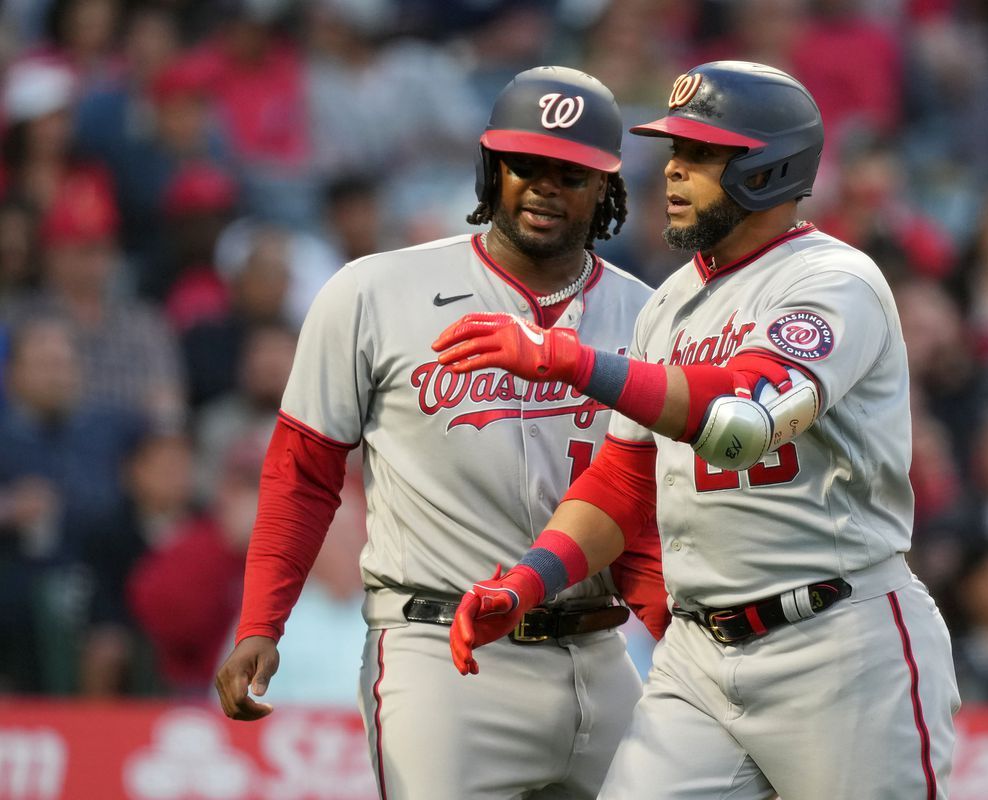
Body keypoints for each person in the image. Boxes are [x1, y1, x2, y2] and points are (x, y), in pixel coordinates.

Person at [434, 61, 960, 799]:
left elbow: (741, 425)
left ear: (768, 168)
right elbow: (625, 480)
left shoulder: (833, 282)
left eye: (702, 155)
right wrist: (529, 581)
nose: (673, 172)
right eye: (675, 151)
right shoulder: (671, 303)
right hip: (698, 656)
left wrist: (567, 359)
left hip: (838, 644)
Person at [213, 66, 668, 800]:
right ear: (492, 169)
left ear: (607, 189)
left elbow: (645, 508)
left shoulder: (651, 317)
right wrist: (262, 621)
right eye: (526, 164)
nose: (546, 185)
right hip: (440, 650)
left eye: (572, 172)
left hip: (600, 649)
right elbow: (303, 471)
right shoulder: (373, 292)